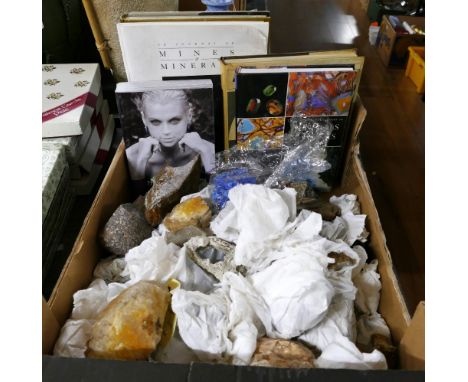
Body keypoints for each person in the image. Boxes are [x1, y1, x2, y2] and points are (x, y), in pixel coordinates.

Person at [125, 89, 215, 183]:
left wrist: (206, 155)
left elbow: (219, 193)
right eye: (156, 122)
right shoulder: (132, 156)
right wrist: (140, 162)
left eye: (174, 121)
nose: (166, 131)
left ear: (189, 115)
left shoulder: (209, 150)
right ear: (144, 119)